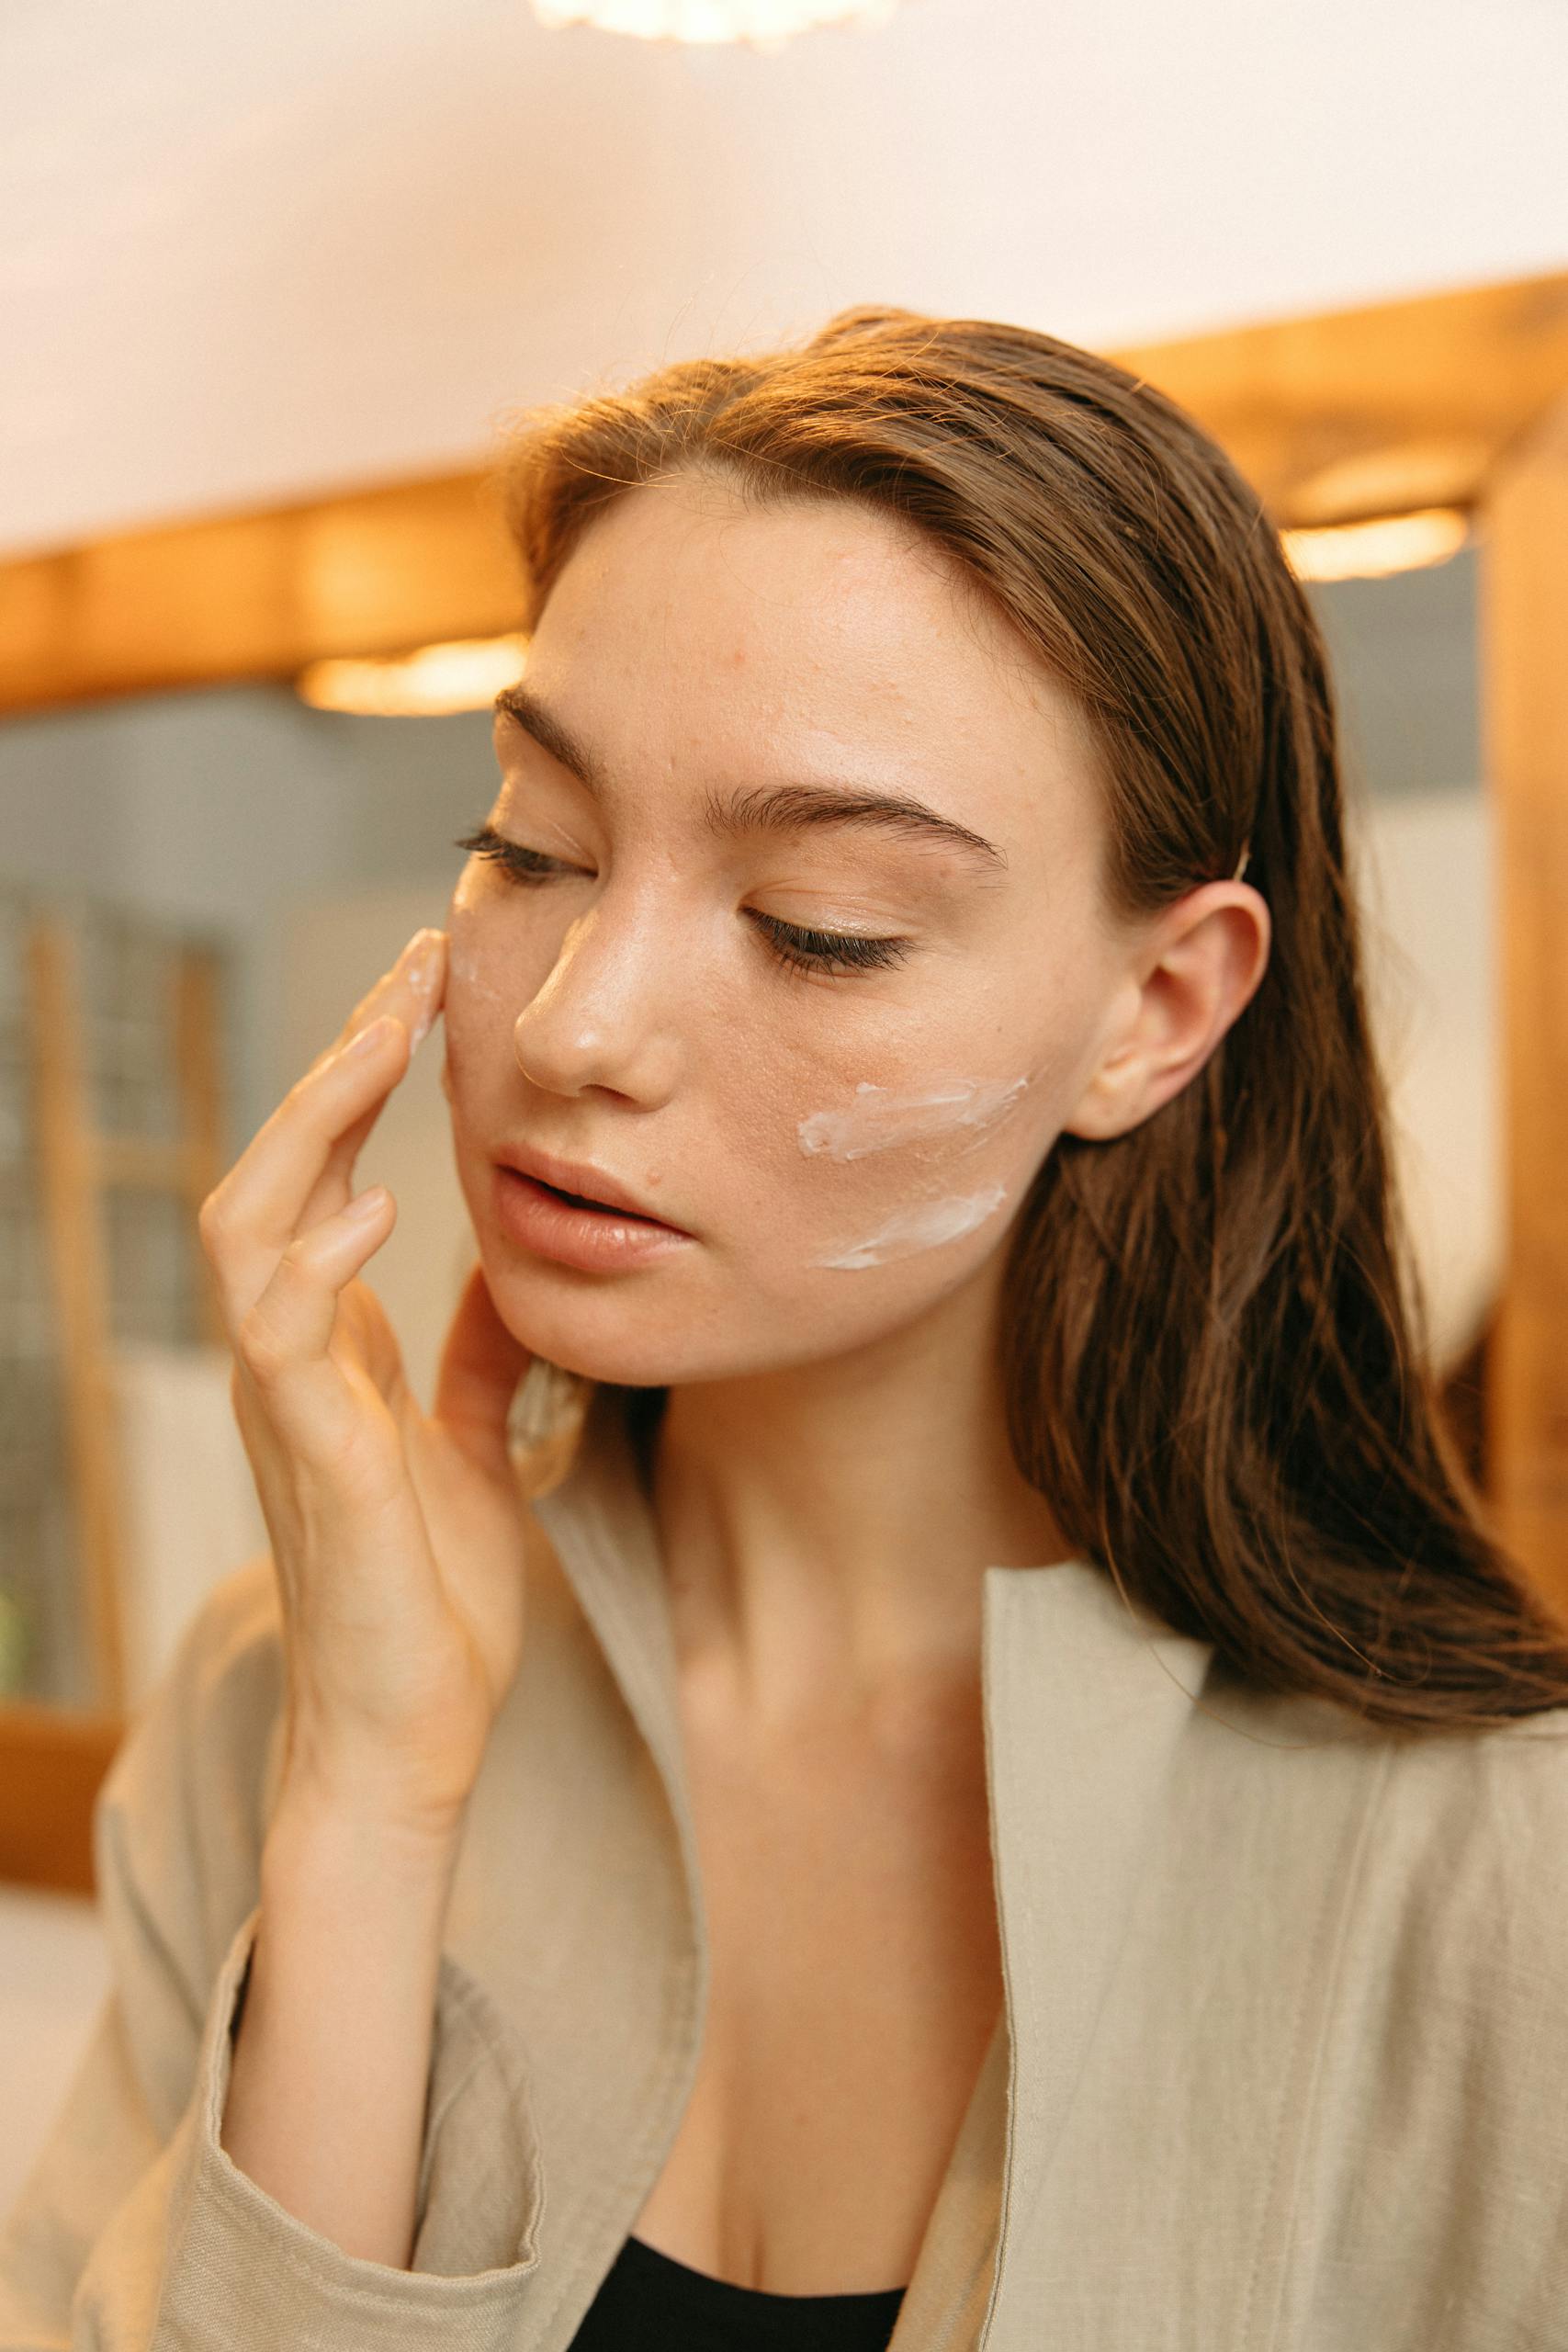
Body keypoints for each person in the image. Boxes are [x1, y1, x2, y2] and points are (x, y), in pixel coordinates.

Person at [6, 307, 1568, 2352]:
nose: (573, 1022)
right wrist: (370, 1809)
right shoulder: (282, 1693)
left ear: (1156, 1008)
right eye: (531, 847)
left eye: (818, 920)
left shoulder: (1488, 1873)